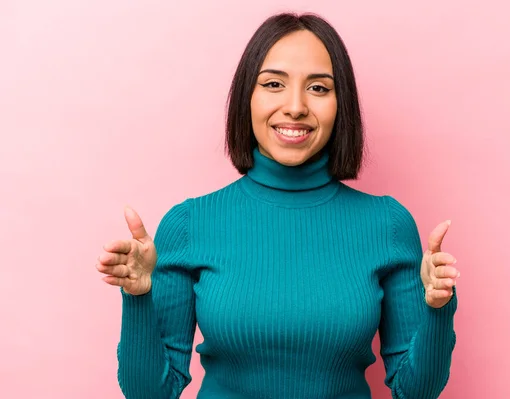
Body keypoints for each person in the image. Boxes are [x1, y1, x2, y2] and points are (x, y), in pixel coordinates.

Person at [95, 11, 460, 399]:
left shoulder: (387, 224)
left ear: (342, 105)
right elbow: (150, 393)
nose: (296, 106)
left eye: (318, 88)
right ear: (246, 98)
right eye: (273, 84)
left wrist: (438, 308)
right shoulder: (188, 224)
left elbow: (415, 391)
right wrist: (137, 297)